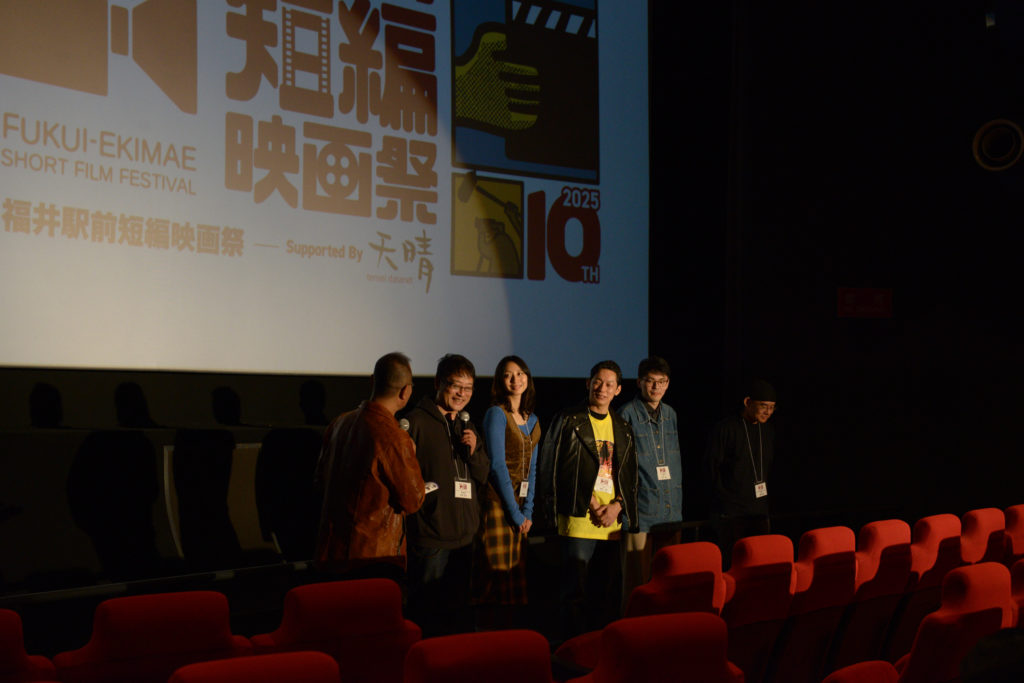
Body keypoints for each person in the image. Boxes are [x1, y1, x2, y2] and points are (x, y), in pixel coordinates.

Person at [538, 360, 638, 640]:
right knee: (574, 595)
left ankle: (599, 650)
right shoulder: (568, 420)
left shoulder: (623, 427)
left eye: (609, 384)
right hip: (579, 519)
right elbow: (553, 468)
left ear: (618, 390)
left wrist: (617, 505)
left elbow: (630, 475)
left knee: (604, 595)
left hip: (611, 524)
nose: (602, 388)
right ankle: (571, 651)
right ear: (588, 383)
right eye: (597, 382)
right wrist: (592, 504)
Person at [313, 352, 425, 583]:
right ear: (405, 392)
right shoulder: (394, 438)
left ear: (372, 381)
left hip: (331, 552)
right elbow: (413, 500)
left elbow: (320, 481)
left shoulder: (339, 423)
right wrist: (411, 457)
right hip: (373, 558)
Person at [404, 354, 491, 635]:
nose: (462, 394)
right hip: (432, 536)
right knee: (428, 614)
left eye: (468, 388)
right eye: (456, 386)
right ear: (438, 383)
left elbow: (482, 474)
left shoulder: (466, 424)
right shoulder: (415, 422)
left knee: (459, 614)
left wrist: (474, 450)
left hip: (465, 537)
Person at [474, 355, 541, 626]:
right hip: (498, 504)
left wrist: (529, 511)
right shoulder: (496, 414)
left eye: (520, 373)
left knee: (515, 577)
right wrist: (515, 513)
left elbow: (532, 469)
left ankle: (511, 637)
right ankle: (488, 636)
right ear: (500, 381)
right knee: (495, 575)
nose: (515, 379)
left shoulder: (532, 419)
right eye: (508, 375)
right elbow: (497, 466)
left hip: (521, 508)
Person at [617, 356, 683, 602]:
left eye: (661, 381)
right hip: (640, 512)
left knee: (670, 581)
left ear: (668, 383)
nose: (656, 387)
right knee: (636, 585)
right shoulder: (626, 414)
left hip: (670, 510)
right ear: (639, 382)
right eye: (650, 381)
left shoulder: (670, 414)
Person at [704, 378, 777, 561]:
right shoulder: (726, 428)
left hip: (759, 512)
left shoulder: (767, 431)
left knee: (759, 562)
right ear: (748, 402)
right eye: (763, 406)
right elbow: (712, 468)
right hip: (732, 514)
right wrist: (724, 502)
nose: (768, 412)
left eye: (772, 407)